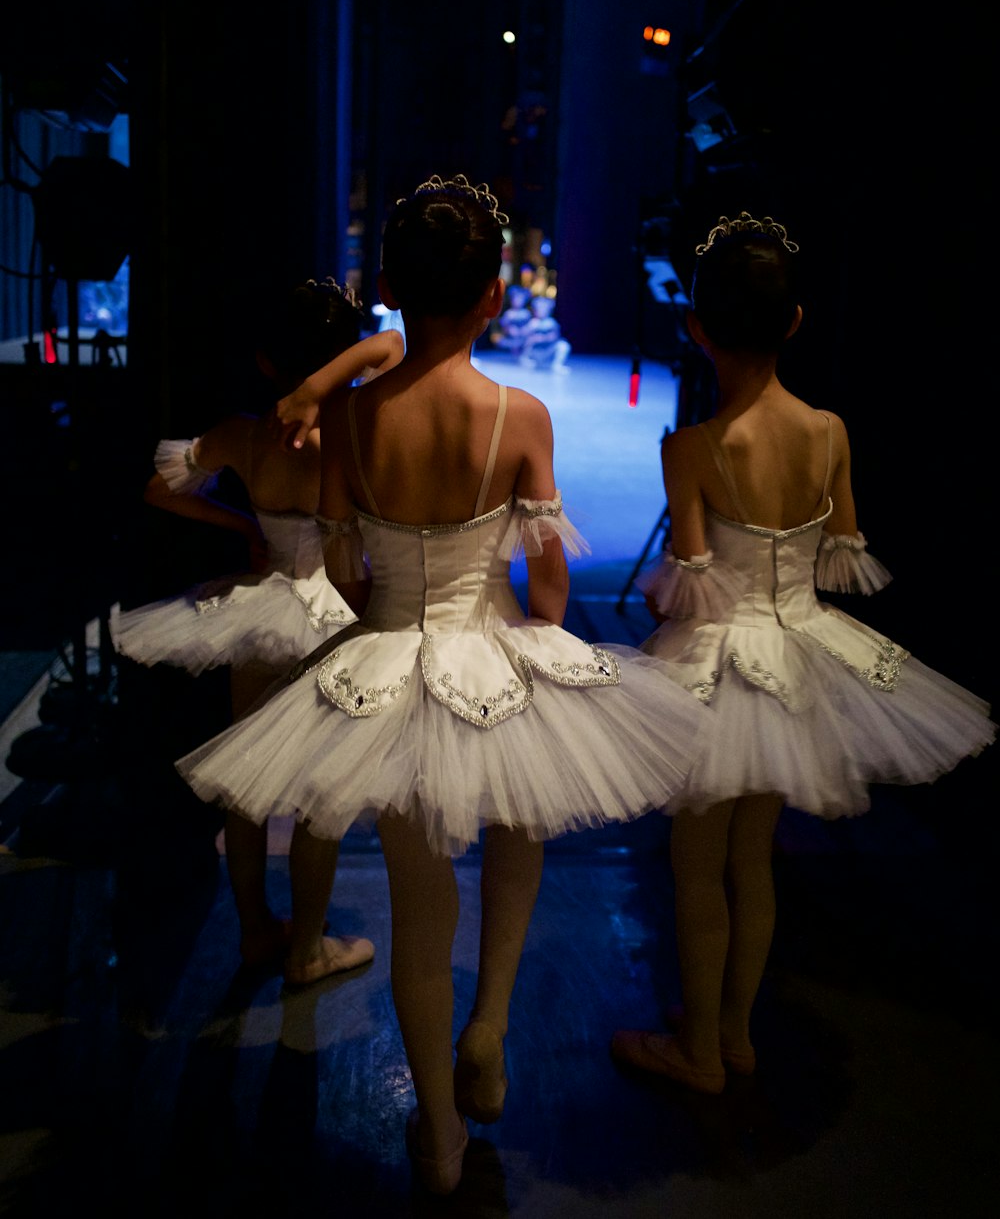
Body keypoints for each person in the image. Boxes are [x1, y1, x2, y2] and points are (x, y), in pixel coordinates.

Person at [173, 174, 708, 1196]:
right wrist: (529, 628)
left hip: (388, 652)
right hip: (488, 643)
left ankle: (440, 1139)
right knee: (521, 824)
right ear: (494, 298)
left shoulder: (358, 420)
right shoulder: (519, 414)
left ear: (390, 286)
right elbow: (547, 583)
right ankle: (492, 1025)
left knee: (421, 905)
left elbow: (344, 573)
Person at [611, 212, 994, 1094]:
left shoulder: (693, 448)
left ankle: (700, 1053)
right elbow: (844, 551)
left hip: (720, 662)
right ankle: (733, 1035)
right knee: (755, 859)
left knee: (696, 866)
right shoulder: (830, 431)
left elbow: (691, 575)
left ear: (697, 328)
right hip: (800, 655)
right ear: (793, 323)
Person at [113, 278, 404, 983]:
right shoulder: (358, 428)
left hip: (265, 606)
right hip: (338, 610)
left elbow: (160, 487)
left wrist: (242, 521)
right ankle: (307, 947)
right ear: (341, 357)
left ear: (266, 363)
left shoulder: (245, 434)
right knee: (322, 790)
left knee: (244, 785)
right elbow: (393, 346)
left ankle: (254, 932)